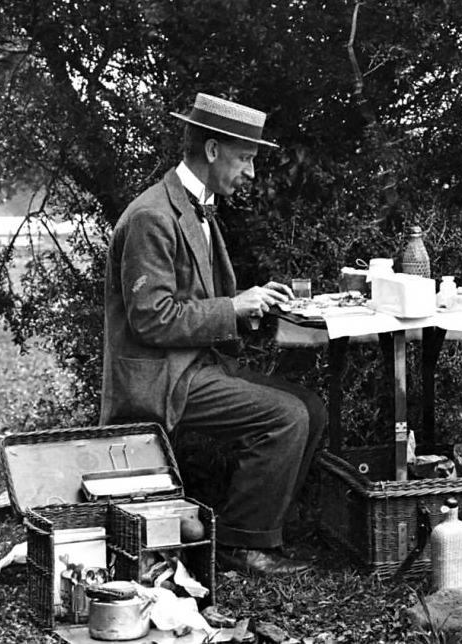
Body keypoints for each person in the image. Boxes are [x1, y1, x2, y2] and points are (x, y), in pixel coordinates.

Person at [101, 93, 326, 576]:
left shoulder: (194, 207)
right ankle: (241, 545)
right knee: (285, 416)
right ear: (211, 151)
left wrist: (250, 302)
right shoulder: (152, 217)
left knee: (311, 407)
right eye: (244, 158)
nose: (250, 172)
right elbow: (152, 318)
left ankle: (269, 528)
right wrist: (232, 307)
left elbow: (191, 300)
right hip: (160, 378)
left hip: (193, 364)